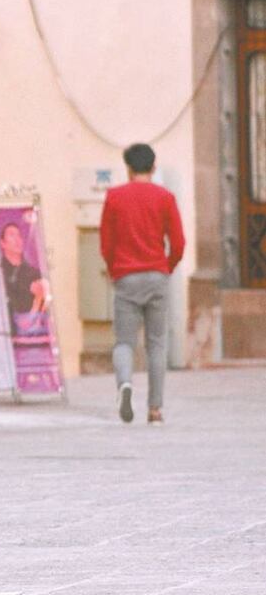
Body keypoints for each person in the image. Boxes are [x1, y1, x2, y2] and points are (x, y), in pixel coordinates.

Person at [100, 143, 185, 425]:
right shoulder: (165, 197)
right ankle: (155, 409)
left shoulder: (114, 197)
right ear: (153, 167)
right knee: (156, 344)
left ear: (128, 168)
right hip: (157, 275)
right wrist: (166, 268)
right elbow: (179, 243)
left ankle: (124, 384)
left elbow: (106, 243)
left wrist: (115, 270)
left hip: (126, 276)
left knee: (124, 342)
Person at [0, 222, 49, 336]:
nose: (17, 240)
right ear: (2, 243)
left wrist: (40, 295)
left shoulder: (33, 273)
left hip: (33, 333)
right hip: (5, 332)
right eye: (12, 235)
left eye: (19, 236)